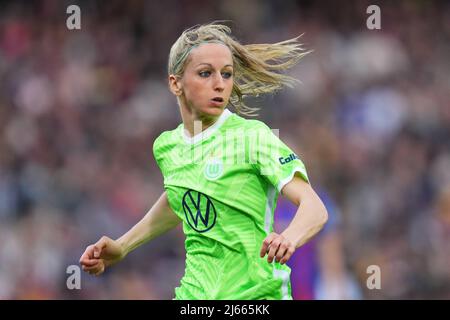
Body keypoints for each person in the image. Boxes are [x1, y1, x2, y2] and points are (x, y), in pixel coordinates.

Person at [79, 22, 328, 300]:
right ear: (176, 83)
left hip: (255, 297)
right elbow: (181, 198)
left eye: (227, 74)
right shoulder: (167, 146)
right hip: (194, 296)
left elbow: (315, 208)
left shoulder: (252, 137)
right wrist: (123, 246)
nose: (220, 84)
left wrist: (288, 237)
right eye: (205, 73)